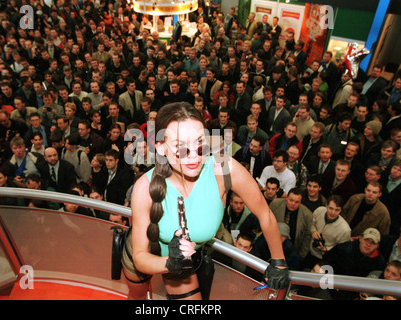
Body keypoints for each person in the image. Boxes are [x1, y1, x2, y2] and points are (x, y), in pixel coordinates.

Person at [124, 102, 289, 300]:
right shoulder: (144, 188)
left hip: (184, 263)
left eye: (200, 142)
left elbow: (264, 213)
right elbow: (140, 257)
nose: (193, 154)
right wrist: (169, 262)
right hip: (148, 256)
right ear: (160, 147)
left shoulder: (224, 169)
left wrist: (279, 261)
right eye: (179, 146)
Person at [323, 228, 386, 299]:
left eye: (373, 242)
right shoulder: (344, 249)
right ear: (360, 239)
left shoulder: (379, 262)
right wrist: (332, 279)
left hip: (356, 295)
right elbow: (325, 262)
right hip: (331, 287)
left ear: (377, 246)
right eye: (366, 240)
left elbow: (378, 284)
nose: (368, 244)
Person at [303, 195, 351, 270]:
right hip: (309, 251)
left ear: (341, 210)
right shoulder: (319, 211)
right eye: (330, 208)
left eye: (337, 210)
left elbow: (341, 252)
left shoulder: (345, 230)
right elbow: (311, 223)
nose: (333, 212)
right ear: (326, 206)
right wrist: (313, 231)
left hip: (325, 260)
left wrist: (326, 249)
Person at [269, 188, 313, 260]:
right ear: (286, 198)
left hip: (292, 251)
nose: (293, 204)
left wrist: (300, 256)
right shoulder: (275, 204)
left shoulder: (307, 215)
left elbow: (307, 238)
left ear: (301, 202)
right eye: (291, 200)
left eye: (297, 202)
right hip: (272, 245)